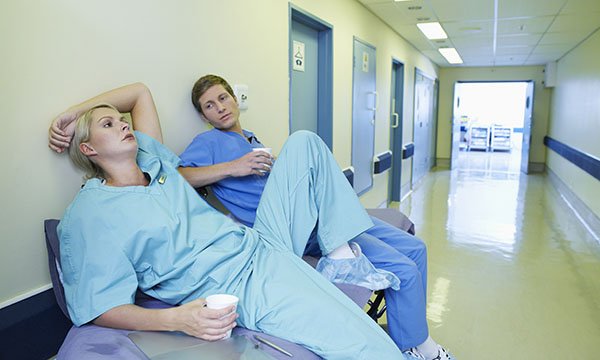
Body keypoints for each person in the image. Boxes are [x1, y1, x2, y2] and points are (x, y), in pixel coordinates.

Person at [47, 82, 406, 359]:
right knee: (373, 348)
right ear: (88, 149)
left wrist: (74, 112)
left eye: (121, 120)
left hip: (256, 240)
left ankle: (342, 261)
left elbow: (138, 93)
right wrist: (178, 319)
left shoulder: (152, 160)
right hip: (241, 281)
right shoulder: (88, 214)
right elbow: (100, 308)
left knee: (304, 143)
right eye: (108, 125)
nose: (124, 125)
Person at [177, 74, 455, 360]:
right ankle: (418, 347)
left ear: (234, 99)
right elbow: (178, 176)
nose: (220, 107)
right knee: (405, 271)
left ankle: (410, 339)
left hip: (316, 215)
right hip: (289, 229)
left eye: (223, 98)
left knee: (415, 249)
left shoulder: (251, 139)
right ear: (203, 116)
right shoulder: (208, 142)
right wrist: (233, 167)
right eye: (209, 106)